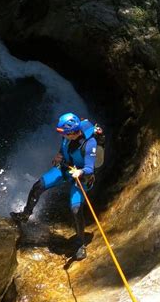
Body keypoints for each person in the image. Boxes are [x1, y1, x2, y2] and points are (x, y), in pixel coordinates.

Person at [10, 112, 98, 261]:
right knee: (38, 185)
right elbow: (64, 149)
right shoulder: (67, 136)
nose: (62, 135)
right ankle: (25, 215)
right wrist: (59, 156)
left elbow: (90, 167)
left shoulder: (90, 143)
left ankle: (80, 244)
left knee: (76, 209)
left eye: (64, 132)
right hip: (65, 169)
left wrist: (80, 171)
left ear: (72, 132)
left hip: (81, 178)